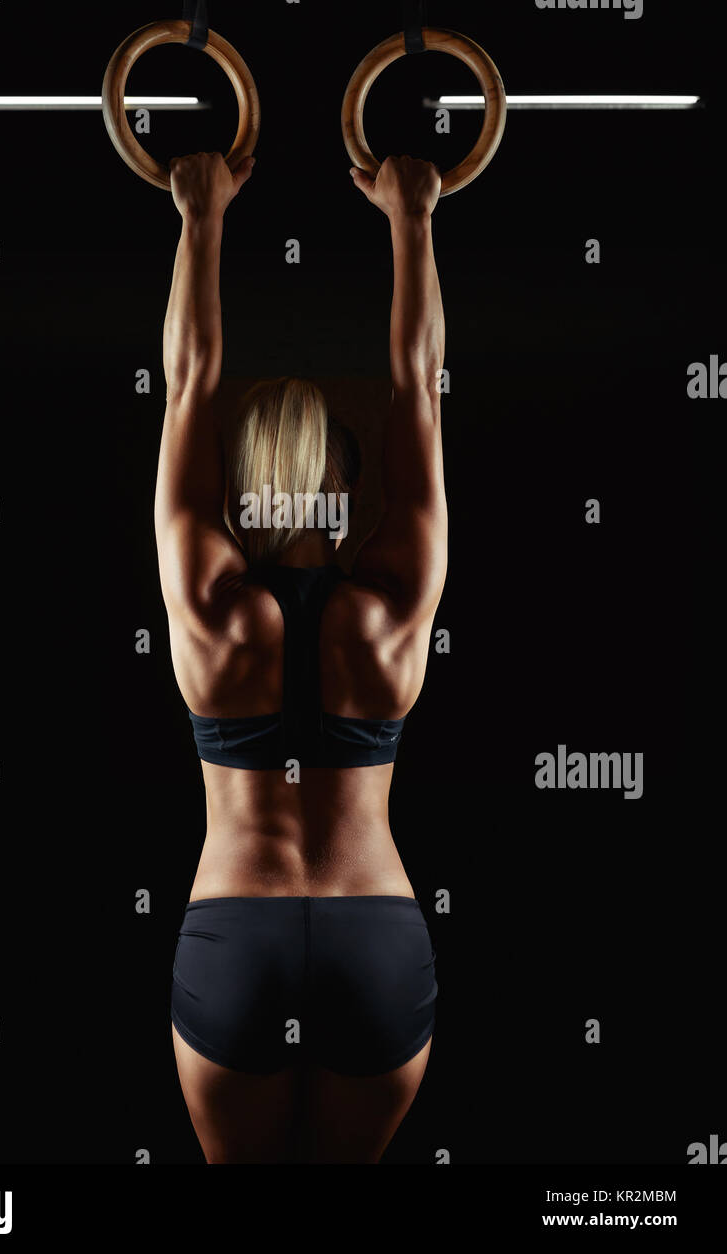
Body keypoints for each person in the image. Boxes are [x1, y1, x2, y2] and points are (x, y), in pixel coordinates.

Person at [156, 149, 447, 1163]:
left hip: (237, 936)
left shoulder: (207, 608)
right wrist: (411, 216)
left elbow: (187, 382)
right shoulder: (385, 612)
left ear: (240, 486)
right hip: (375, 937)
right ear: (346, 477)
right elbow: (419, 388)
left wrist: (200, 216)